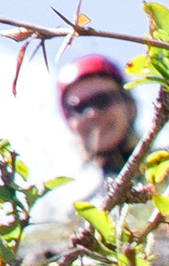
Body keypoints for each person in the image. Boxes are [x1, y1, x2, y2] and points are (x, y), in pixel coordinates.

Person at [57, 50, 141, 201]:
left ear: (130, 106)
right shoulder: (87, 210)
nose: (92, 114)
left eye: (102, 100)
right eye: (79, 108)